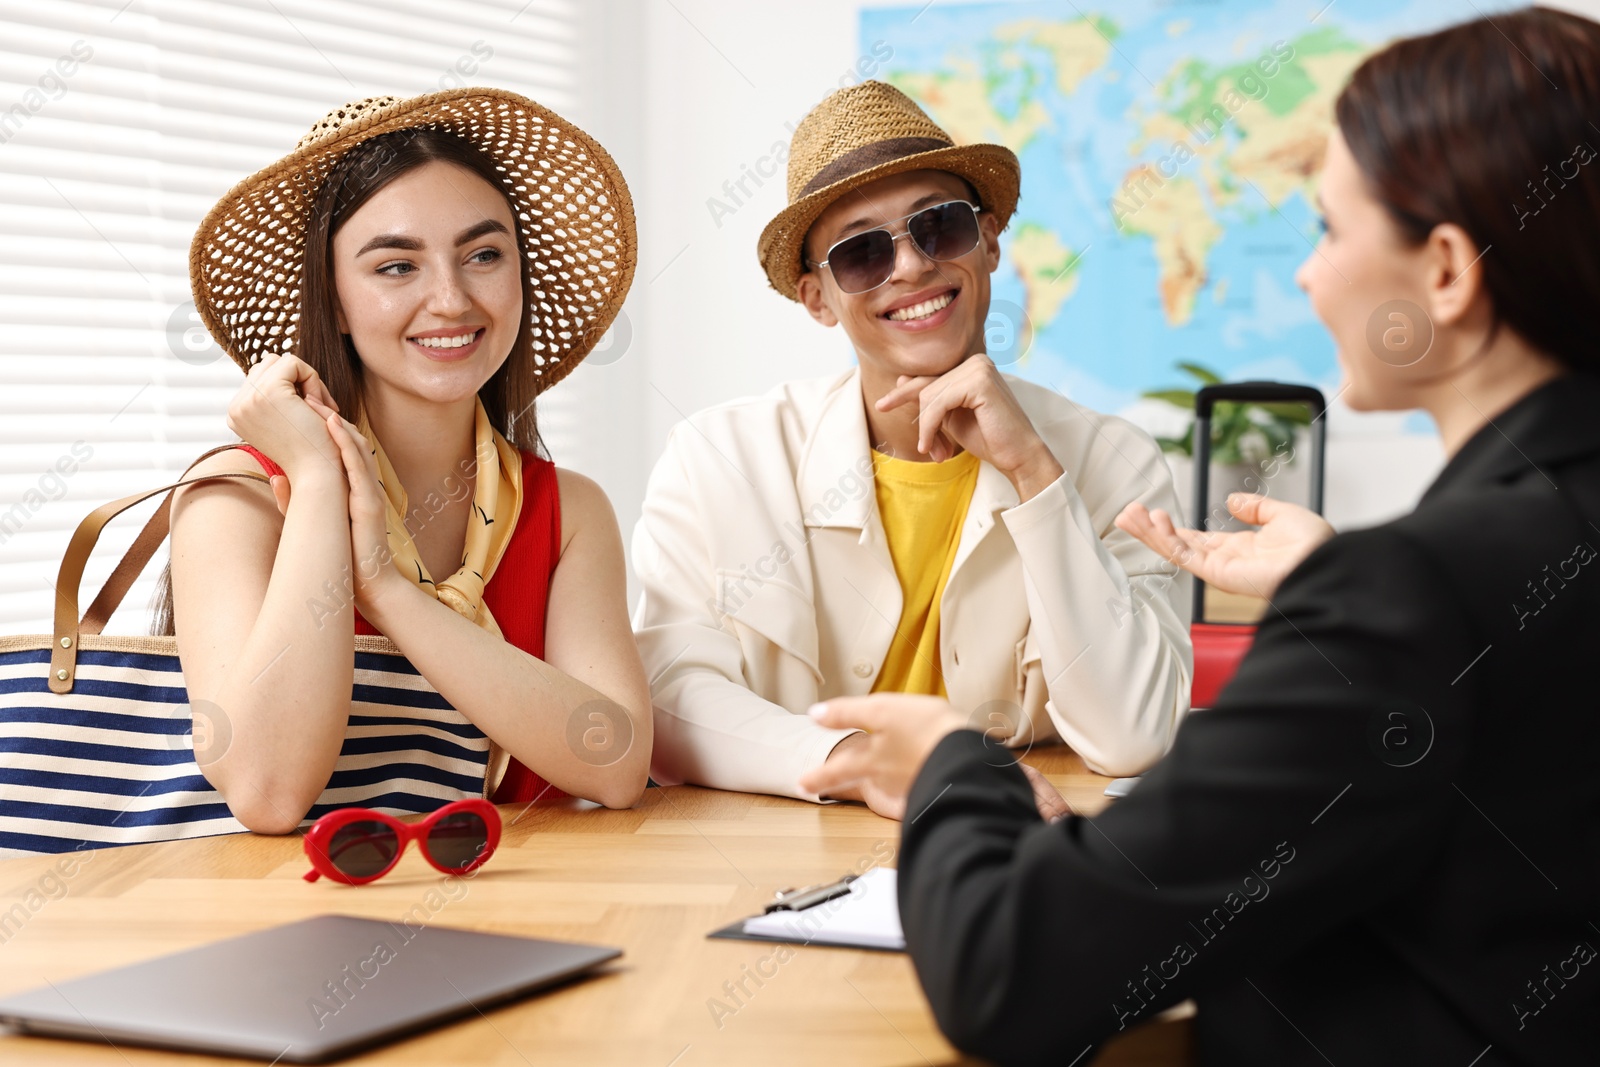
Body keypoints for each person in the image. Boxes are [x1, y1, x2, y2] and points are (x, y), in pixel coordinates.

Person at [803, 8, 1599, 1063]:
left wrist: (955, 766)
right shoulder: (1464, 576)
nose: (1310, 275)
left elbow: (1015, 968)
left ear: (1445, 272)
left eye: (1328, 228)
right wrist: (1349, 587)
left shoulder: (1410, 596)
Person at [631, 81, 1193, 818]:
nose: (910, 267)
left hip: (1021, 848)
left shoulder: (1113, 460)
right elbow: (669, 700)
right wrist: (862, 764)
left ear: (989, 242)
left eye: (941, 226)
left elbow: (1133, 736)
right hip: (784, 858)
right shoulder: (718, 458)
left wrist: (1035, 475)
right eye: (861, 253)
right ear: (818, 298)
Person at [163, 90, 651, 833]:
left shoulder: (567, 511)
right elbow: (265, 790)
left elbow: (614, 764)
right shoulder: (235, 500)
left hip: (524, 913)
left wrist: (386, 589)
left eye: (484, 255)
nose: (451, 299)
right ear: (333, 296)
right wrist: (322, 478)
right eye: (397, 267)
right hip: (272, 926)